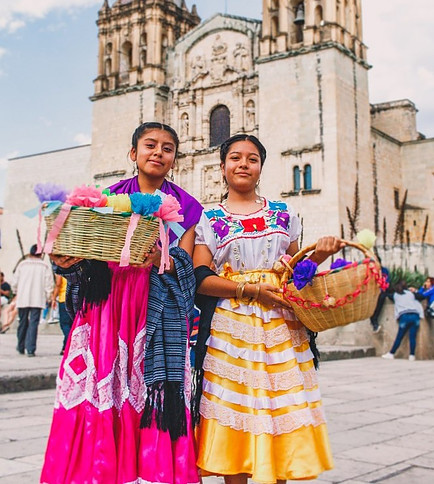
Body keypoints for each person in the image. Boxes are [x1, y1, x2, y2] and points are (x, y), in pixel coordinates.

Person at [41, 122, 203, 484]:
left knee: (149, 392)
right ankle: (99, 470)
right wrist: (67, 262)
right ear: (133, 153)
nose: (158, 153)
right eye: (150, 145)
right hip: (109, 307)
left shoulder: (187, 207)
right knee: (103, 386)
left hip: (154, 308)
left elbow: (185, 264)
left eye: (167, 148)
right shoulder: (106, 199)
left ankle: (154, 470)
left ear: (174, 159)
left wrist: (161, 256)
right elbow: (85, 255)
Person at [192, 134, 343, 482]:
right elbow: (201, 278)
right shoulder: (209, 218)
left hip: (281, 327)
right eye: (235, 157)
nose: (243, 164)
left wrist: (318, 255)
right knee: (237, 414)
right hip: (233, 330)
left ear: (261, 168)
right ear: (222, 167)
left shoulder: (284, 214)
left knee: (280, 416)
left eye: (251, 158)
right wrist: (251, 290)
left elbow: (296, 276)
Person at [11, 245, 54, 356]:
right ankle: (31, 349)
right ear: (40, 254)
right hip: (37, 298)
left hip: (23, 298)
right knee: (33, 323)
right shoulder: (44, 266)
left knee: (22, 321)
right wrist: (49, 296)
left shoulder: (22, 264)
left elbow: (14, 282)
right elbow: (48, 284)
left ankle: (20, 346)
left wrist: (15, 292)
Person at [382, 280, 424, 361]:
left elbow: (387, 295)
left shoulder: (395, 295)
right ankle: (412, 355)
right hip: (415, 315)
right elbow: (421, 296)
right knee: (412, 337)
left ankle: (391, 353)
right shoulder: (410, 294)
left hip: (404, 316)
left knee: (399, 337)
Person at [51, 274, 73, 355]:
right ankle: (65, 347)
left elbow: (58, 283)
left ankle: (68, 344)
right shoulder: (77, 266)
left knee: (64, 324)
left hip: (64, 299)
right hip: (75, 298)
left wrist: (53, 298)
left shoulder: (62, 267)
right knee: (71, 324)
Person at [369, 263, 390, 333]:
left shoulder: (384, 270)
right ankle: (374, 322)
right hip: (371, 292)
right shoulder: (369, 271)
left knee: (381, 297)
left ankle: (374, 321)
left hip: (381, 291)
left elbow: (387, 281)